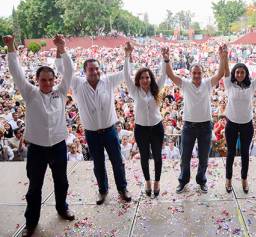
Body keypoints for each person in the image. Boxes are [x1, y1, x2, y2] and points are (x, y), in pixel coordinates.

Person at [4, 35, 75, 237]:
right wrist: (10, 47)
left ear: (55, 80)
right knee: (35, 187)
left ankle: (62, 208)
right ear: (37, 80)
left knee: (62, 182)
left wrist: (62, 48)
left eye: (51, 80)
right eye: (43, 80)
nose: (47, 83)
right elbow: (16, 72)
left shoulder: (60, 93)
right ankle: (31, 222)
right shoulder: (30, 93)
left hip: (59, 146)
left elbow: (69, 71)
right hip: (36, 149)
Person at [56, 42, 132, 205]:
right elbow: (62, 70)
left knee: (117, 161)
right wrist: (60, 49)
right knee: (98, 164)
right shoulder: (77, 83)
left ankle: (122, 188)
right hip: (91, 133)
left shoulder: (108, 81)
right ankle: (103, 191)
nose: (95, 72)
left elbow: (127, 73)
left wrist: (127, 55)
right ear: (85, 71)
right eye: (91, 69)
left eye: (97, 68)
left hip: (110, 131)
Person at [164, 45, 226, 194]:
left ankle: (201, 180)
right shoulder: (185, 84)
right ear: (191, 73)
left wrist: (222, 57)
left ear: (202, 74)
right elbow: (171, 75)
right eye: (194, 73)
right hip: (189, 127)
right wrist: (166, 59)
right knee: (185, 157)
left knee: (204, 157)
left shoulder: (207, 83)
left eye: (199, 73)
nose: (197, 76)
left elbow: (220, 73)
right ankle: (183, 181)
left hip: (205, 126)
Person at [223, 46, 256, 193]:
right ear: (234, 73)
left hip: (246, 125)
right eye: (237, 72)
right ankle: (228, 179)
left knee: (245, 153)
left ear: (246, 74)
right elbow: (225, 70)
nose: (239, 74)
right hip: (231, 124)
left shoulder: (252, 86)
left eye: (242, 72)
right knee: (231, 153)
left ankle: (244, 179)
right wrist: (224, 55)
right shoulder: (229, 85)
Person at [124, 42, 167, 197]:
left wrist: (164, 59)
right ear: (138, 79)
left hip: (156, 127)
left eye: (147, 77)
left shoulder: (156, 89)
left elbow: (164, 75)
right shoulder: (135, 91)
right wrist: (127, 56)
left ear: (150, 78)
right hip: (141, 128)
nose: (145, 80)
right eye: (142, 77)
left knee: (157, 155)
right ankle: (147, 181)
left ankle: (157, 181)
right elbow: (126, 76)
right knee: (144, 156)